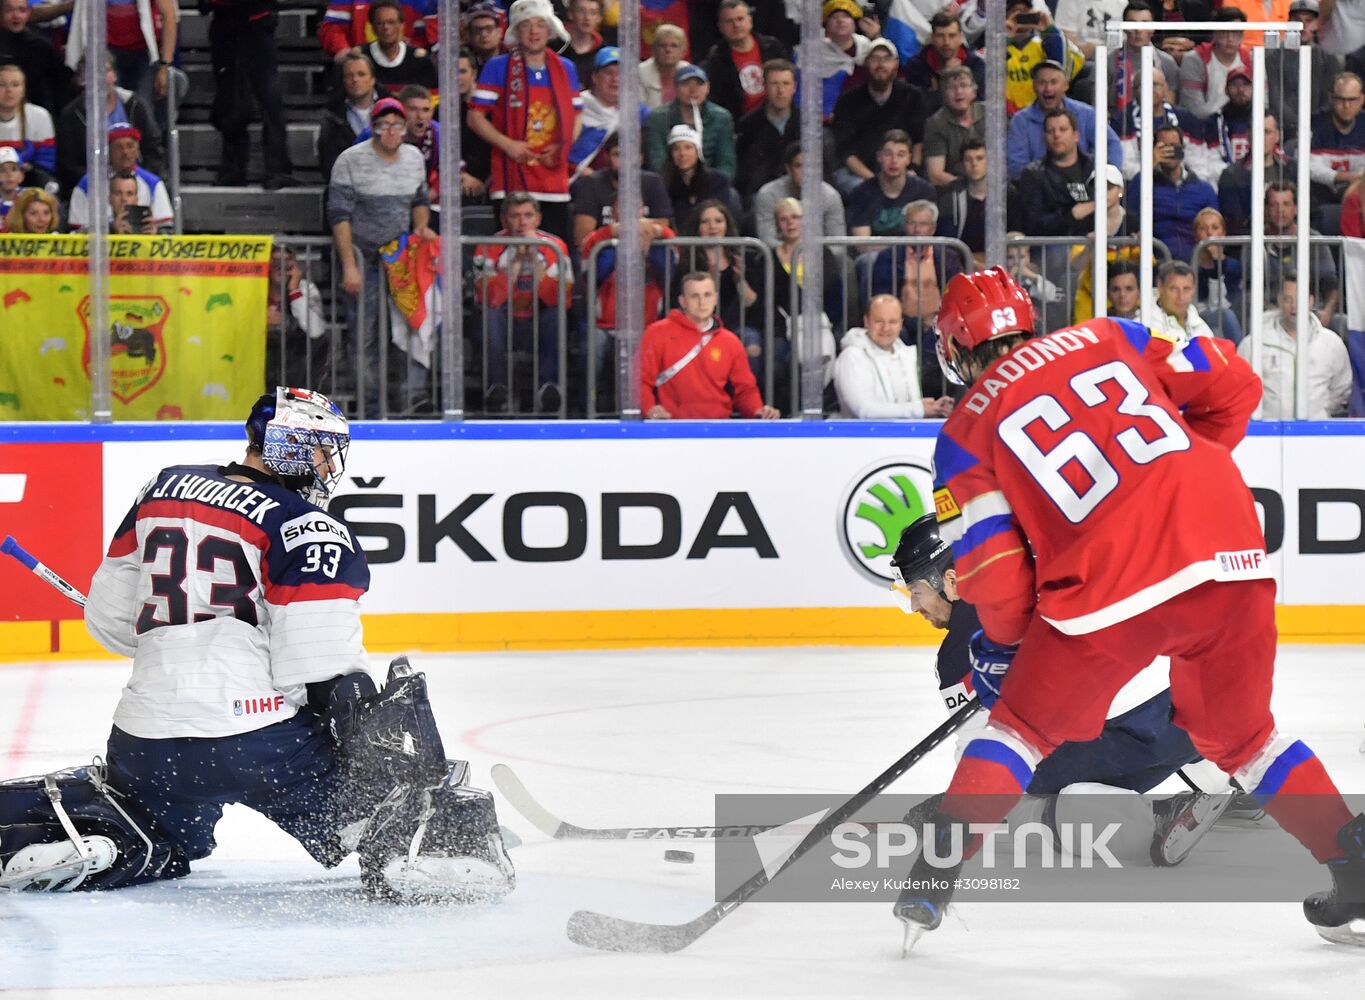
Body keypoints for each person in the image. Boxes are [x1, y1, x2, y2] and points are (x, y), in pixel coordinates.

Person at [894, 266, 1365, 951]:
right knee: (1243, 738)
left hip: (1105, 586)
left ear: (957, 350)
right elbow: (1231, 380)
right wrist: (1183, 472)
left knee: (1019, 727)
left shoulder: (963, 432)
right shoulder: (1108, 333)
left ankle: (931, 876)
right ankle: (1351, 866)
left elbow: (993, 569)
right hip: (1227, 547)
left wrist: (1008, 645)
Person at [0, 388, 515, 901]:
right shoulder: (308, 526)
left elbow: (112, 626)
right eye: (319, 448)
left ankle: (104, 841)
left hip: (147, 741)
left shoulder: (162, 489)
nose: (326, 464)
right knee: (376, 809)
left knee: (156, 829)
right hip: (261, 748)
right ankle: (421, 851)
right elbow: (320, 670)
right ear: (288, 447)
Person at [888, 514, 1229, 865]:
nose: (914, 607)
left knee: (1024, 793)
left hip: (1132, 734)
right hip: (1204, 697)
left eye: (916, 592)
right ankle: (1223, 781)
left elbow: (981, 762)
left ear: (952, 581)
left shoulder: (960, 652)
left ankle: (1153, 821)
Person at [327, 97, 436, 417]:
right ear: (372, 129)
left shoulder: (414, 157)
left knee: (413, 327)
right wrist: (349, 265)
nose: (390, 131)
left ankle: (411, 400)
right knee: (365, 333)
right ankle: (370, 407)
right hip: (363, 256)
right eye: (383, 124)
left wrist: (421, 228)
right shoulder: (350, 160)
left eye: (396, 125)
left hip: (402, 257)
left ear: (405, 129)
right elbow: (338, 215)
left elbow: (419, 198)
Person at [467, 0, 583, 244]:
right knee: (510, 255)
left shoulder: (566, 68)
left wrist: (564, 145)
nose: (534, 31)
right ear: (516, 31)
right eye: (526, 25)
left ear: (550, 30)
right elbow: (474, 117)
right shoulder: (497, 67)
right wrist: (507, 144)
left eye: (540, 24)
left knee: (553, 253)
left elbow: (577, 115)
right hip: (511, 176)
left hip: (554, 178)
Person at [472, 192, 571, 414]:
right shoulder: (486, 247)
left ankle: (548, 388)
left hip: (540, 320)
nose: (522, 222)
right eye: (515, 216)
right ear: (504, 219)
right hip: (503, 321)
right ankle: (496, 388)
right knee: (489, 315)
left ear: (538, 218)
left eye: (528, 215)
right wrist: (515, 262)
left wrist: (535, 259)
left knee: (557, 315)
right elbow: (488, 298)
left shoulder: (556, 246)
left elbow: (560, 298)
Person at [640, 270, 779, 420]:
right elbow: (641, 381)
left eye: (707, 295)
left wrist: (759, 411)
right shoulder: (657, 333)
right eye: (694, 296)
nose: (702, 302)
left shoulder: (730, 341)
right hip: (672, 428)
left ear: (716, 299)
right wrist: (650, 409)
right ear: (682, 301)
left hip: (718, 430)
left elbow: (745, 389)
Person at [204, 0, 298, 189]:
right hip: (225, 26)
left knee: (270, 100)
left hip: (258, 24)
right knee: (229, 100)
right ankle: (233, 170)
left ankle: (278, 169)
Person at [1240, 272, 1352, 419]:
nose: (1294, 306)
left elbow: (1341, 389)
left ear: (1311, 301)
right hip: (1267, 435)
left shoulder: (1331, 344)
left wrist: (1320, 412)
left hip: (1317, 435)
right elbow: (1240, 388)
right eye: (1287, 299)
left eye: (1300, 299)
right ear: (1279, 300)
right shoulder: (1253, 344)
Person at [830, 37, 928, 198]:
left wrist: (913, 170)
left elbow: (919, 140)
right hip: (860, 174)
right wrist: (875, 181)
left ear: (896, 64)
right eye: (875, 59)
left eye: (886, 59)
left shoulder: (912, 96)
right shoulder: (848, 100)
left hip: (903, 171)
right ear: (865, 64)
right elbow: (846, 152)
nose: (881, 65)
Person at [55, 51, 161, 197]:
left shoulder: (134, 105)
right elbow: (69, 165)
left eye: (106, 71)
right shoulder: (71, 115)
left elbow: (152, 149)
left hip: (136, 184)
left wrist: (139, 180)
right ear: (82, 80)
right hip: (91, 190)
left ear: (115, 75)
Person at [834, 295, 953, 419]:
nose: (886, 328)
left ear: (901, 324)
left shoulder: (906, 355)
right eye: (879, 321)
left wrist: (934, 406)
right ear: (866, 321)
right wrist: (918, 409)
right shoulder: (852, 357)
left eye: (892, 322)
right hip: (862, 438)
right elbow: (864, 410)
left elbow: (911, 406)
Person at [1006, 60, 1122, 181]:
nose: (1048, 88)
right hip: (1039, 187)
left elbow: (1111, 144)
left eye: (1054, 82)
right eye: (1042, 82)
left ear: (1065, 85)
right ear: (1034, 86)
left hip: (1084, 183)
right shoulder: (1020, 121)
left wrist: (1109, 179)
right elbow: (1016, 165)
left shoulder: (1086, 113)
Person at [1124, 122, 1218, 261]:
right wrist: (1150, 165)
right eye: (1163, 147)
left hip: (1196, 262)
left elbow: (1216, 227)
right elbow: (1129, 210)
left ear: (1183, 148)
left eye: (1174, 146)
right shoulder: (1144, 185)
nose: (1169, 151)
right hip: (1156, 261)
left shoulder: (1203, 189)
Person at [569, 130, 672, 247]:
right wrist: (616, 230)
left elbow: (664, 230)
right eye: (618, 154)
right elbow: (582, 238)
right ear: (606, 157)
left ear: (641, 158)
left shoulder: (654, 182)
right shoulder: (591, 183)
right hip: (602, 258)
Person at [68, 122, 174, 234]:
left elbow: (168, 231)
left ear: (137, 149)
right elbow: (75, 233)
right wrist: (111, 229)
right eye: (118, 147)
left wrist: (156, 233)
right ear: (107, 151)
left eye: (130, 146)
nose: (125, 152)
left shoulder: (153, 184)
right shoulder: (86, 185)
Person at [642, 62, 737, 180]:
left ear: (708, 88)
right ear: (675, 88)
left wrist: (713, 185)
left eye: (699, 84)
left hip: (711, 183)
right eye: (686, 84)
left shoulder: (722, 117)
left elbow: (726, 163)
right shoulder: (657, 118)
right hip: (670, 183)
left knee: (732, 196)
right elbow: (657, 162)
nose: (693, 90)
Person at [1011, 108, 1097, 237]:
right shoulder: (1033, 175)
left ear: (1076, 136)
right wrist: (1071, 216)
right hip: (1054, 252)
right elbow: (1033, 225)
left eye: (1063, 130)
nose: (1056, 135)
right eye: (1050, 131)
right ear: (1044, 138)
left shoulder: (1097, 167)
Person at [700, 0, 789, 122]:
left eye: (740, 19)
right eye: (729, 21)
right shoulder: (716, 59)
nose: (736, 25)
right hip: (740, 125)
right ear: (720, 27)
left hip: (778, 117)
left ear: (750, 21)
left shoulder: (773, 47)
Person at [847, 129, 936, 243]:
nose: (894, 160)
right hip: (875, 257)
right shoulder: (861, 193)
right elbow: (863, 245)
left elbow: (924, 239)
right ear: (879, 157)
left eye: (900, 155)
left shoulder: (924, 191)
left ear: (909, 159)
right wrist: (893, 254)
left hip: (912, 256)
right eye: (888, 154)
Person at [733, 58, 800, 204]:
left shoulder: (806, 123)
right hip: (762, 196)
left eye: (786, 84)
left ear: (794, 87)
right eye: (774, 84)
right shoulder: (748, 125)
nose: (780, 91)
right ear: (764, 86)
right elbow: (744, 175)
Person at [1219, 112, 1297, 235]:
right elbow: (1234, 226)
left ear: (1277, 136)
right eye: (1257, 132)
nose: (1261, 138)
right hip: (1249, 244)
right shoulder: (1231, 176)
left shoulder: (1293, 170)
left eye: (1266, 132)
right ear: (1248, 136)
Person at [753, 143, 846, 246]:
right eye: (799, 166)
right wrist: (794, 255)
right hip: (780, 259)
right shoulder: (768, 194)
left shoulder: (830, 197)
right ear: (788, 169)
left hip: (820, 259)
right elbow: (767, 241)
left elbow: (838, 245)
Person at [1003, 0, 1083, 115]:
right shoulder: (998, 47)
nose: (1021, 17)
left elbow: (1064, 68)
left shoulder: (1045, 44)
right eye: (1015, 12)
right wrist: (1006, 37)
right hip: (1006, 114)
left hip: (1045, 110)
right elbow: (988, 72)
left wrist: (1049, 30)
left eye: (1025, 12)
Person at [660, 124, 740, 229]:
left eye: (688, 147)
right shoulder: (664, 183)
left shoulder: (718, 181)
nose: (682, 153)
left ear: (698, 151)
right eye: (676, 149)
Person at [1178, 7, 1250, 119]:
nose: (1230, 39)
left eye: (1235, 32)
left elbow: (1262, 102)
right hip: (1206, 127)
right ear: (1215, 33)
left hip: (1244, 125)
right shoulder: (1194, 59)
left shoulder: (1251, 58)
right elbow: (1193, 109)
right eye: (1224, 32)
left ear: (1242, 35)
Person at [0, 0, 70, 113]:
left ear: (28, 13)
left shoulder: (41, 47)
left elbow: (60, 88)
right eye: (9, 10)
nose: (16, 16)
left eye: (21, 10)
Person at [905, 8, 986, 103]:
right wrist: (945, 77)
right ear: (932, 38)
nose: (946, 42)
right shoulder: (916, 66)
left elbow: (978, 107)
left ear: (960, 37)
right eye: (940, 36)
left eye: (952, 36)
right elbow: (919, 107)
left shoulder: (976, 65)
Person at [921, 67, 983, 189]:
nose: (958, 92)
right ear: (944, 95)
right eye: (952, 87)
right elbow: (936, 175)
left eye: (964, 85)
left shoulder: (991, 115)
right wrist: (972, 188)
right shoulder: (936, 124)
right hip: (954, 189)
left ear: (974, 92)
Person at [1310, 71, 1365, 203]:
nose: (1346, 106)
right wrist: (1347, 176)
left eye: (1352, 100)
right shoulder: (1314, 124)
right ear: (1331, 98)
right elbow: (1309, 168)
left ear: (1362, 99)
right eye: (1341, 99)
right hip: (1319, 196)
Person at [0, 63, 55, 190]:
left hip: (28, 182)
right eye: (2, 85)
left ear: (23, 90)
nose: (9, 91)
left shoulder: (40, 116)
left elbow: (47, 164)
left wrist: (22, 169)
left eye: (15, 85)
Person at [366, 0, 438, 96]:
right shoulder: (362, 58)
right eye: (380, 23)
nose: (386, 27)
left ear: (401, 25)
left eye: (391, 22)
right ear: (373, 28)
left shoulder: (421, 61)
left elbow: (432, 99)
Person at [1148, 259, 1216, 343]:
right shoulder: (1146, 325)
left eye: (1186, 289)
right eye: (1174, 289)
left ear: (1194, 289)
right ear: (1160, 287)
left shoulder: (1199, 325)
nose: (1181, 296)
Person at [557, 0, 605, 85]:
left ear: (599, 18)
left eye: (593, 13)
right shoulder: (556, 46)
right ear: (570, 14)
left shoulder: (603, 52)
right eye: (581, 11)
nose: (587, 18)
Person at [640, 22, 686, 109]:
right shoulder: (640, 72)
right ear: (654, 49)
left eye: (674, 46)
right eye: (663, 45)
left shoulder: (688, 72)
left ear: (683, 51)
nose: (668, 50)